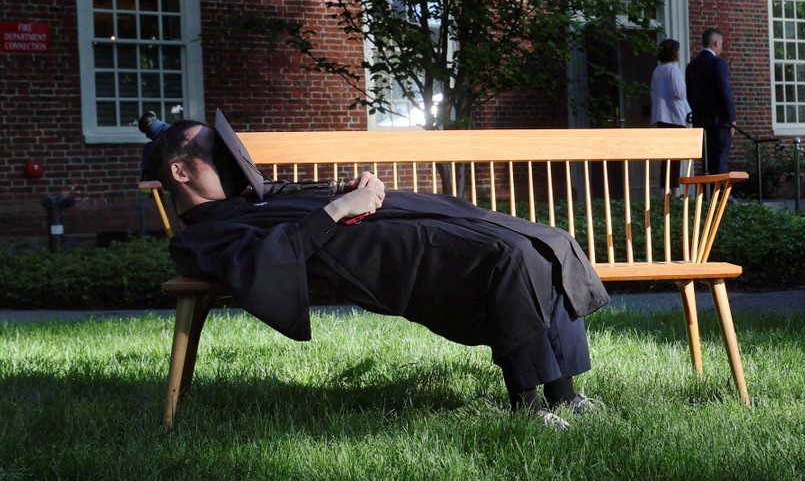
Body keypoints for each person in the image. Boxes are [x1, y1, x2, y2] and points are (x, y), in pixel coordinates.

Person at [140, 109, 610, 429]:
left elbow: (306, 193)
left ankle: (565, 394)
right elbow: (267, 260)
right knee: (509, 257)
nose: (228, 160)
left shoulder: (253, 197)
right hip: (377, 252)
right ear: (181, 173)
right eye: (212, 153)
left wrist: (352, 186)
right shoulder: (201, 235)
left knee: (547, 240)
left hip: (400, 216)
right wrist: (341, 208)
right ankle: (528, 406)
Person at [685, 28, 736, 175]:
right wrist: (731, 117)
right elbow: (724, 91)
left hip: (700, 120)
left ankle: (707, 193)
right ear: (715, 43)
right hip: (719, 121)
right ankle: (718, 192)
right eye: (721, 43)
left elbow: (690, 94)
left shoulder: (691, 66)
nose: (721, 47)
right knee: (719, 158)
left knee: (706, 160)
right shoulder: (717, 63)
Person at [650, 38, 691, 189]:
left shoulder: (657, 70)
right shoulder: (673, 70)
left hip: (661, 117)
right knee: (675, 159)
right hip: (675, 117)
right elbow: (680, 93)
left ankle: (667, 188)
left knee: (666, 158)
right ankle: (675, 190)